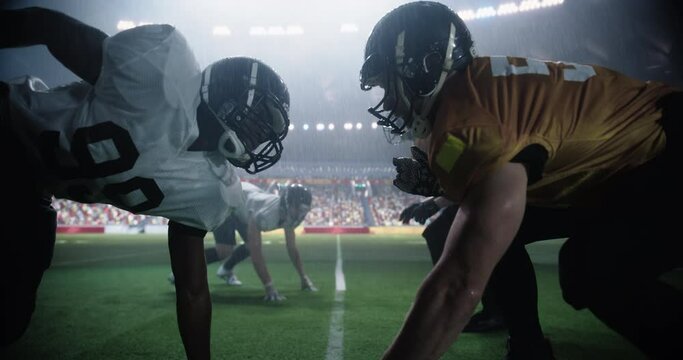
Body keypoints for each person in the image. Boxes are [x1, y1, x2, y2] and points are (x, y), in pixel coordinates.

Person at [360, 2, 683, 359]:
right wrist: (443, 187)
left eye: (388, 84)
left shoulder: (470, 119)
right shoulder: (476, 92)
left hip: (664, 148)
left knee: (591, 270)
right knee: (463, 227)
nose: (388, 100)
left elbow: (456, 285)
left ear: (425, 67)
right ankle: (527, 345)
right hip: (624, 164)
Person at [1, 7, 291, 359]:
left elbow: (193, 290)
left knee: (10, 316)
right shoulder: (162, 68)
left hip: (31, 189)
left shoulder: (212, 188)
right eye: (260, 122)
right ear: (229, 101)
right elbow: (43, 25)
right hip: (8, 126)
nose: (260, 138)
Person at [169, 182, 318, 301]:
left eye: (304, 210)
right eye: (298, 209)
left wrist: (304, 277)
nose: (301, 214)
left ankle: (226, 270)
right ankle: (181, 271)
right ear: (287, 203)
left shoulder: (287, 214)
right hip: (227, 202)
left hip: (244, 206)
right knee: (224, 250)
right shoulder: (266, 215)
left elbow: (292, 248)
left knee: (247, 246)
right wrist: (269, 286)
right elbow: (256, 252)